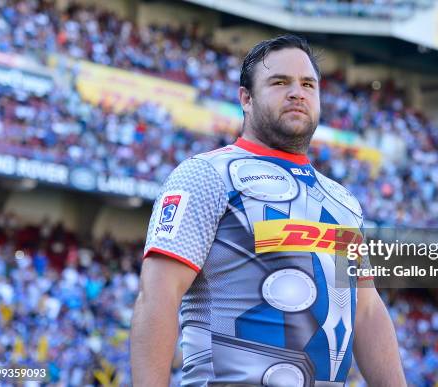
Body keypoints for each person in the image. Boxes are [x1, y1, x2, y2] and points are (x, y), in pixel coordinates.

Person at [130, 34, 406, 386]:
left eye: (308, 84)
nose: (297, 92)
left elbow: (365, 311)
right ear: (245, 98)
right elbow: (158, 296)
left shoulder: (343, 203)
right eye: (280, 82)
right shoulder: (205, 176)